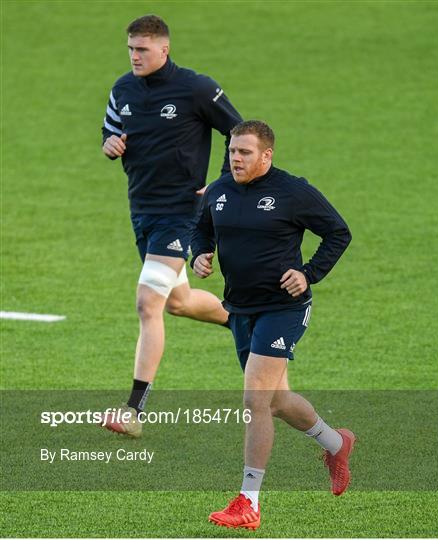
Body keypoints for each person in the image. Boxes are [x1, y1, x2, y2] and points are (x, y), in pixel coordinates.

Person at [191, 120, 355, 530]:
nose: (236, 158)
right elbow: (201, 228)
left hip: (283, 308)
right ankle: (337, 444)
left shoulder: (292, 191)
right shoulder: (219, 190)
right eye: (232, 151)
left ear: (267, 155)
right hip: (240, 309)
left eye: (245, 152)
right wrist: (200, 254)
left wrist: (309, 273)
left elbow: (338, 232)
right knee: (277, 402)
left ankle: (249, 501)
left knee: (254, 401)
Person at [101, 15, 242, 437]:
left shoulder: (196, 88)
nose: (134, 56)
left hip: (182, 213)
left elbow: (238, 130)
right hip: (141, 211)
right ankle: (242, 316)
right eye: (130, 49)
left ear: (164, 49)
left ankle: (134, 411)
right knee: (176, 302)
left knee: (148, 303)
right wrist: (110, 145)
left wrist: (219, 184)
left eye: (142, 49)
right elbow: (110, 132)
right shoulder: (122, 90)